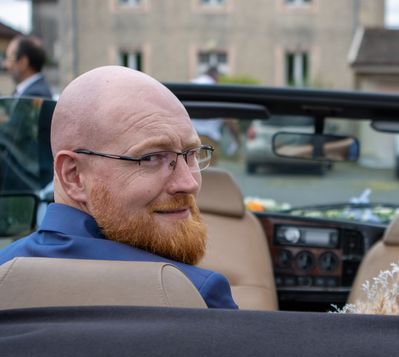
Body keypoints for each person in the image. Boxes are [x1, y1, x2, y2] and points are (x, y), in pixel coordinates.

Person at [0, 65, 237, 309]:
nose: (189, 183)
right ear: (74, 175)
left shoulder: (4, 272)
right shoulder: (194, 295)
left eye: (192, 153)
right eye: (151, 158)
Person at [190, 65, 242, 155]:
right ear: (216, 75)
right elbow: (229, 120)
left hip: (189, 140)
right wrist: (237, 139)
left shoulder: (191, 85)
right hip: (209, 140)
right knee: (208, 168)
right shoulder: (216, 90)